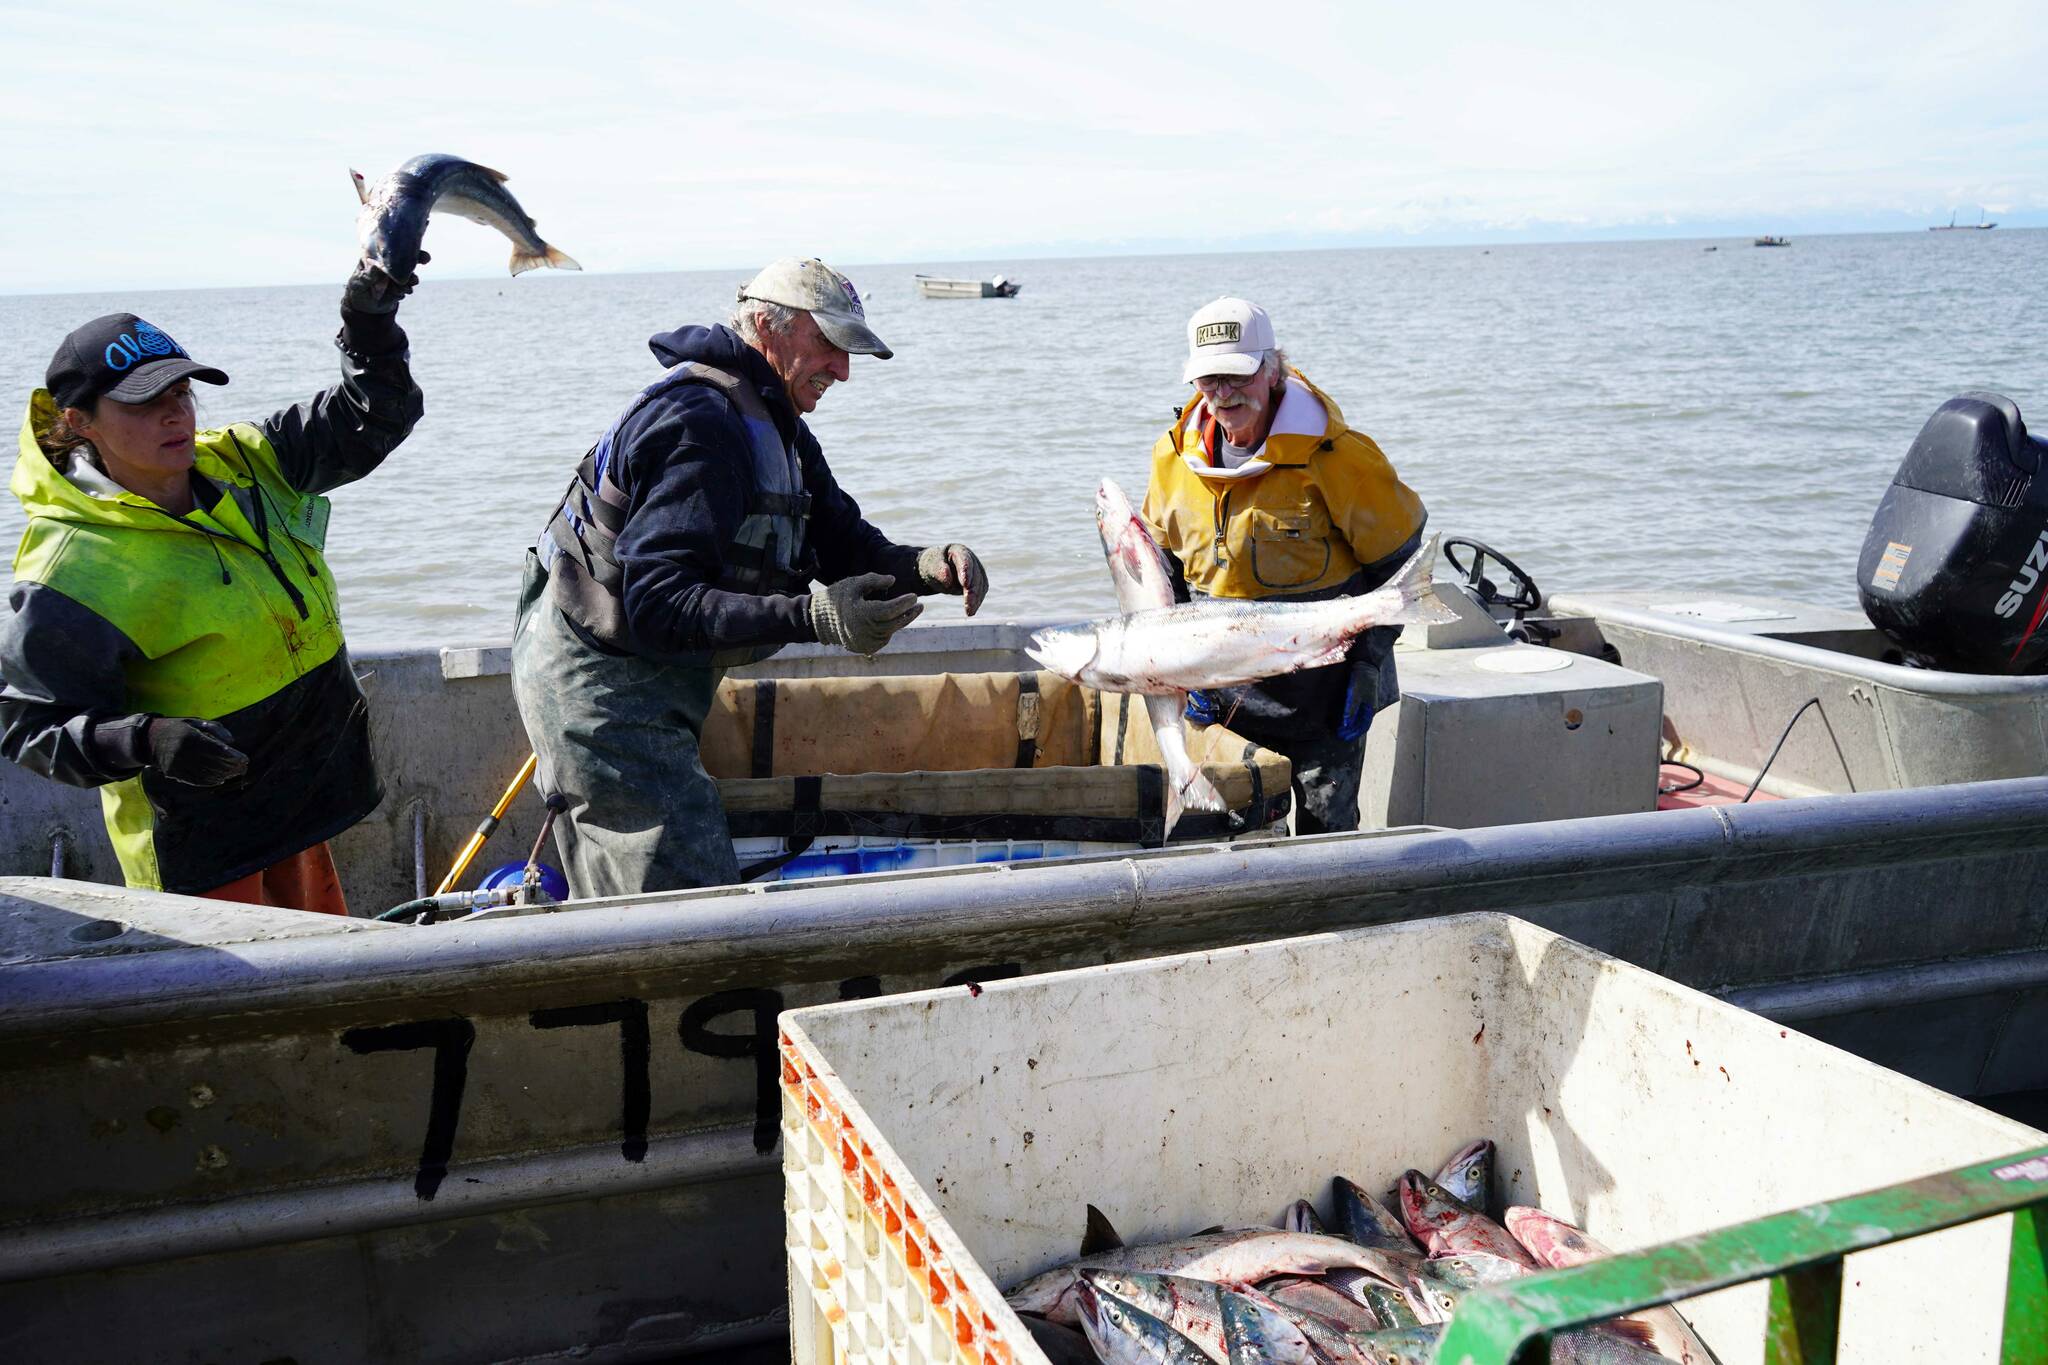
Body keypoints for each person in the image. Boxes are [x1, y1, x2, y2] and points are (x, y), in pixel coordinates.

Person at [513, 257, 990, 899]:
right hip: (601, 685)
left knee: (669, 903)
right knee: (683, 906)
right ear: (768, 326)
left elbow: (846, 543)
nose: (843, 371)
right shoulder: (702, 426)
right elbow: (657, 604)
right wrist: (813, 616)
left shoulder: (776, 422)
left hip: (654, 671)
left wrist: (929, 566)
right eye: (830, 345)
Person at [0, 257, 428, 913]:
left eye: (181, 393)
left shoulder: (244, 459)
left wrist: (368, 322)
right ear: (80, 421)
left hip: (302, 805)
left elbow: (374, 415)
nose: (175, 416)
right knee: (247, 1005)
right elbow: (30, 727)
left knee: (324, 981)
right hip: (199, 844)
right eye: (144, 402)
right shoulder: (70, 565)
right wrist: (143, 739)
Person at [1141, 297, 1425, 833]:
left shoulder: (1341, 458)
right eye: (1209, 380)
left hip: (1327, 696)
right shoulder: (1171, 458)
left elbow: (1402, 571)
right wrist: (1179, 673)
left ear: (1274, 369)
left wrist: (1367, 665)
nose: (1224, 395)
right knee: (1228, 841)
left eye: (1238, 375)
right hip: (1221, 700)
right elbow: (1161, 576)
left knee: (1326, 843)